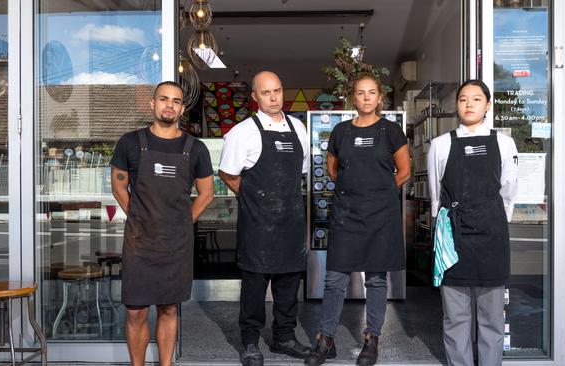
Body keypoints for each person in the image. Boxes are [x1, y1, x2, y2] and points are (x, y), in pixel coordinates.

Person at [305, 73, 410, 366]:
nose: (366, 98)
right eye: (360, 93)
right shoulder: (340, 132)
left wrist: (378, 196)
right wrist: (355, 194)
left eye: (371, 93)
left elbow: (403, 172)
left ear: (380, 98)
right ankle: (325, 338)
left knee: (376, 279)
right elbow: (333, 169)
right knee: (335, 277)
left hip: (381, 216)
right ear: (354, 98)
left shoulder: (391, 131)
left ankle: (371, 338)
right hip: (347, 214)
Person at [110, 81, 214, 366]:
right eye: (164, 99)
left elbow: (207, 194)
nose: (170, 104)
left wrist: (182, 222)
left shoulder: (196, 148)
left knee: (169, 309)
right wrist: (139, 217)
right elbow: (118, 187)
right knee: (136, 312)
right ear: (152, 104)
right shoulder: (130, 143)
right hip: (139, 243)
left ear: (182, 108)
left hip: (176, 244)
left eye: (176, 101)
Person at [218, 71, 311, 366]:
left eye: (278, 91)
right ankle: (249, 341)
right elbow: (227, 173)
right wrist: (252, 198)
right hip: (258, 225)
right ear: (255, 97)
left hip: (292, 223)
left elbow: (302, 171)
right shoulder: (242, 132)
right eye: (266, 92)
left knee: (288, 286)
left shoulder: (298, 128)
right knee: (254, 288)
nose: (274, 98)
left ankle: (284, 337)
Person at [427, 79, 518, 366]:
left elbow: (508, 193)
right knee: (455, 316)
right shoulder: (440, 145)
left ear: (487, 105)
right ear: (457, 105)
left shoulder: (504, 143)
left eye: (476, 99)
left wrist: (493, 222)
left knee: (492, 316)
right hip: (453, 235)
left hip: (492, 236)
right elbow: (435, 196)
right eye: (464, 99)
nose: (469, 104)